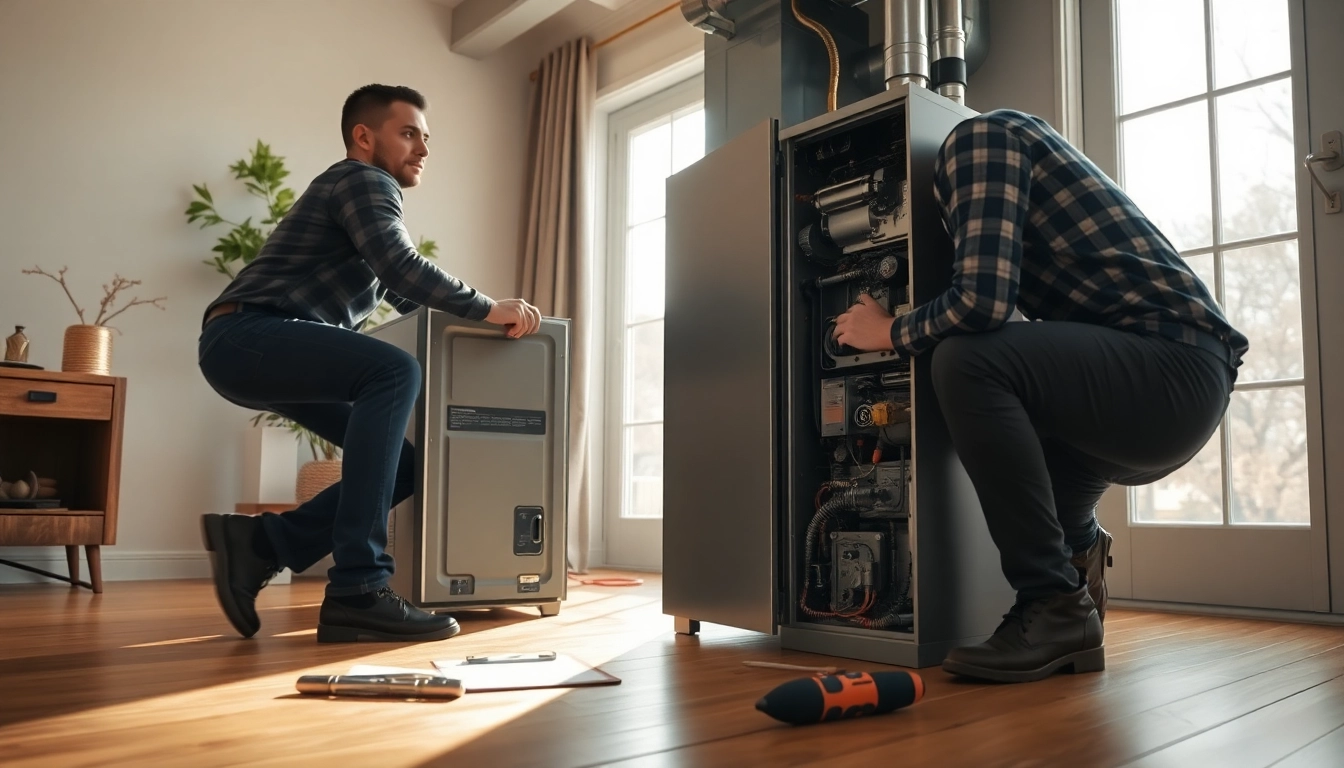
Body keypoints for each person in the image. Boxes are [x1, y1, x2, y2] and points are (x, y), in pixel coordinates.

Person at [833, 109, 1248, 683]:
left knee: (969, 359)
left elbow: (982, 303)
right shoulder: (1016, 152)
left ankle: (1053, 603)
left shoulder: (978, 139)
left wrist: (888, 331)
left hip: (1169, 375)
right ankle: (1078, 580)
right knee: (1028, 417)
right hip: (1173, 396)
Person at [197, 84, 542, 643]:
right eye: (408, 133)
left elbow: (406, 294)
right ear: (364, 136)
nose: (423, 149)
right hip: (250, 334)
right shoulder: (363, 179)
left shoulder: (359, 203)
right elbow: (402, 265)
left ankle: (264, 544)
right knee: (394, 371)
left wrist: (487, 322)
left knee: (404, 466)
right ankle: (359, 588)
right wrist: (487, 306)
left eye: (426, 138)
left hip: (253, 343)